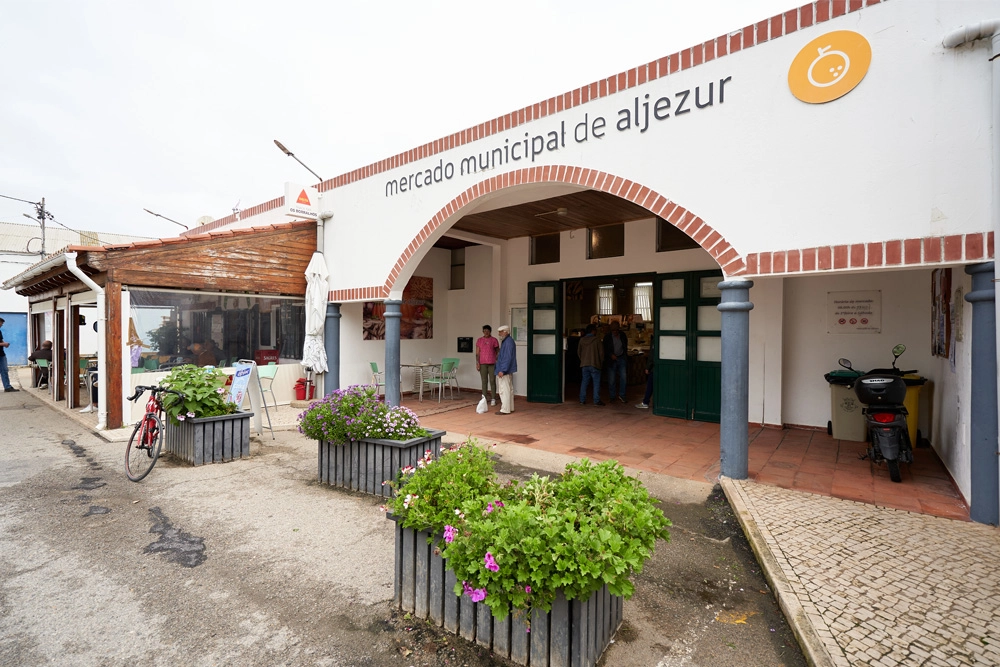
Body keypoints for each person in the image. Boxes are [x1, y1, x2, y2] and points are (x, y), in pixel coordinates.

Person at [577, 324, 604, 405]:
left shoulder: (581, 340)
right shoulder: (597, 340)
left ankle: (582, 399)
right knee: (596, 383)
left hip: (584, 364)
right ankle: (596, 400)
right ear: (593, 331)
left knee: (584, 382)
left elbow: (579, 352)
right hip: (594, 364)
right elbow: (601, 353)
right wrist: (601, 362)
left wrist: (583, 360)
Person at [602, 320, 629, 403]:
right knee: (612, 379)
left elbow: (625, 345)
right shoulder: (607, 337)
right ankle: (612, 396)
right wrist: (611, 355)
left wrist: (624, 355)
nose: (615, 332)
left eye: (616, 330)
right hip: (611, 360)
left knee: (623, 377)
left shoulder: (623, 335)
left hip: (621, 358)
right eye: (613, 331)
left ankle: (622, 395)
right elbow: (605, 348)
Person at [494, 324, 517, 415]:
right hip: (508, 369)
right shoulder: (509, 341)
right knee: (509, 389)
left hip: (504, 370)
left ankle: (505, 409)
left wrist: (502, 370)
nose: (499, 334)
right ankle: (510, 407)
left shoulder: (507, 342)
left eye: (500, 332)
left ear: (505, 332)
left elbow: (506, 358)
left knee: (504, 390)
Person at [475, 324, 500, 407]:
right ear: (483, 331)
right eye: (484, 331)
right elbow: (477, 353)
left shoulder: (494, 340)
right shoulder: (479, 340)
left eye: (487, 331)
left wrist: (497, 360)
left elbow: (498, 351)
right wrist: (477, 363)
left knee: (492, 381)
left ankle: (493, 398)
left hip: (492, 363)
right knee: (484, 381)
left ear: (490, 332)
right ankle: (484, 398)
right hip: (482, 363)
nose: (486, 332)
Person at [0, 318, 18, 392]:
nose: (1, 325)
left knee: (4, 370)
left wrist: (4, 344)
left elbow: (0, 340)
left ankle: (7, 387)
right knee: (4, 370)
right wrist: (3, 344)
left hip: (1, 353)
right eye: (1, 323)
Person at [636, 343, 654, 409]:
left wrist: (648, 367)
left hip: (653, 369)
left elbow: (652, 356)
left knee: (650, 385)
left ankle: (645, 402)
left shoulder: (654, 341)